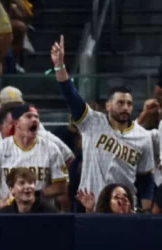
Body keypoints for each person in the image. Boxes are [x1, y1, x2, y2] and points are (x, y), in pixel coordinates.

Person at [52, 35, 155, 211]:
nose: (125, 108)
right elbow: (71, 96)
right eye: (120, 103)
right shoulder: (92, 121)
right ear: (108, 106)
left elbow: (146, 176)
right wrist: (59, 66)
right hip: (90, 203)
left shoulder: (143, 136)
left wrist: (145, 205)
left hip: (123, 208)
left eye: (129, 104)